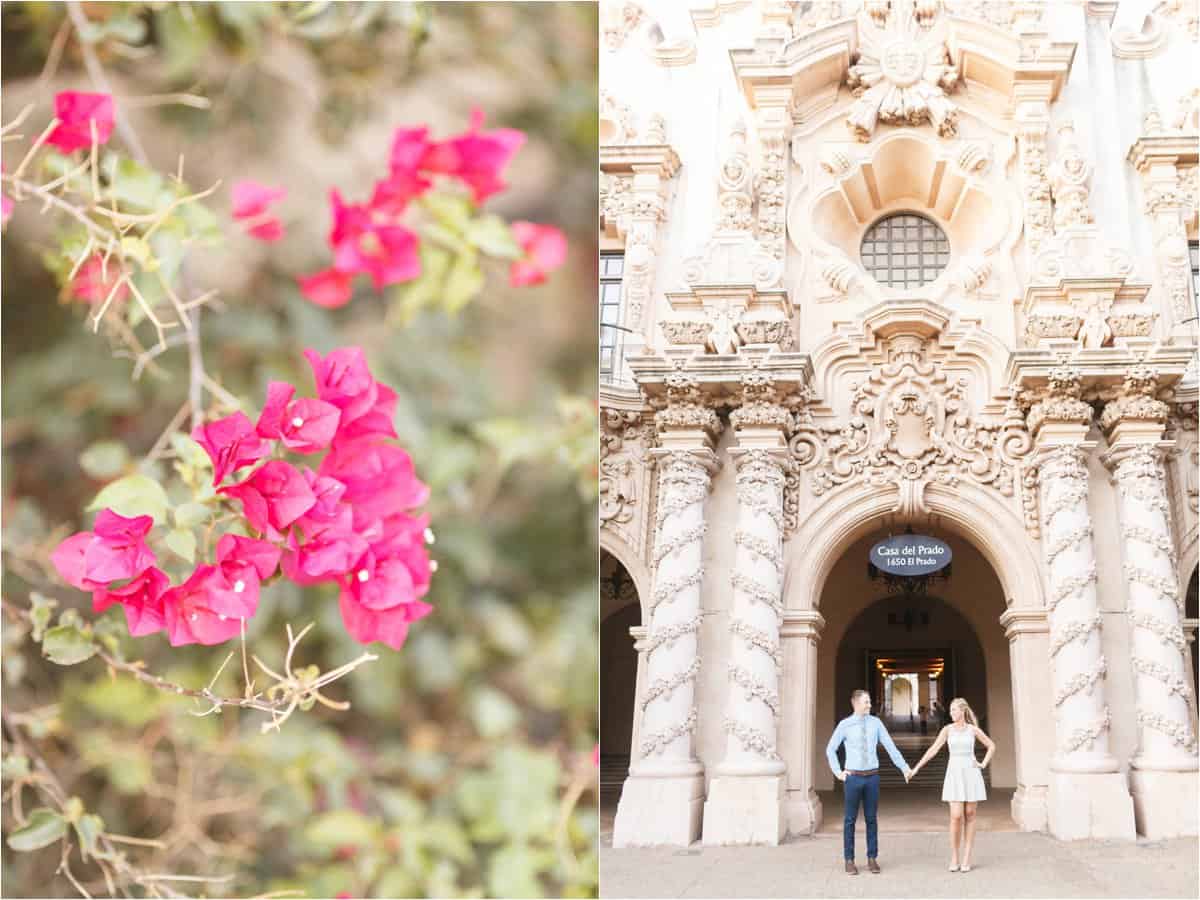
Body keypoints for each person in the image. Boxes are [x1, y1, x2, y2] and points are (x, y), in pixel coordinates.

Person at [825, 689, 914, 875]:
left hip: (872, 777)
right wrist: (838, 772)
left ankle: (872, 858)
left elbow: (890, 746)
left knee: (871, 819)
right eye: (866, 702)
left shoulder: (876, 723)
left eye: (869, 701)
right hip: (853, 778)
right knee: (849, 820)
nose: (870, 705)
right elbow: (830, 749)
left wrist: (904, 767)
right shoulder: (845, 725)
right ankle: (849, 860)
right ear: (855, 703)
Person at [908, 697, 996, 873]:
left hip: (971, 773)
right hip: (954, 774)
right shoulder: (947, 730)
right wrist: (916, 767)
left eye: (955, 710)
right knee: (956, 816)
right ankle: (954, 856)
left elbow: (991, 745)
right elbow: (933, 749)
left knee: (970, 814)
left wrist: (983, 764)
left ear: (963, 710)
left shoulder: (973, 730)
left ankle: (966, 857)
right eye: (950, 710)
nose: (952, 713)